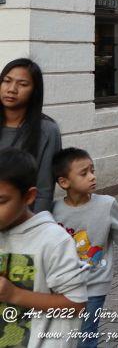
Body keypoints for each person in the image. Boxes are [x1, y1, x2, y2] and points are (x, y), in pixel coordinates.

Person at [51, 148, 118, 348]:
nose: (92, 177)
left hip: (94, 284)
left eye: (93, 170)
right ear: (64, 182)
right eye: (84, 173)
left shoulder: (107, 205)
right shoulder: (53, 210)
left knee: (86, 337)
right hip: (62, 286)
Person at [0, 148, 87, 348]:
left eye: (1, 201)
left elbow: (76, 305)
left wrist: (14, 295)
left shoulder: (53, 241)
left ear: (29, 196)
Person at [1, 59, 62, 212]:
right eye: (7, 81)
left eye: (22, 84)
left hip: (21, 219)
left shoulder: (47, 130)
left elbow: (44, 190)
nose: (12, 89)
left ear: (35, 91)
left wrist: (35, 223)